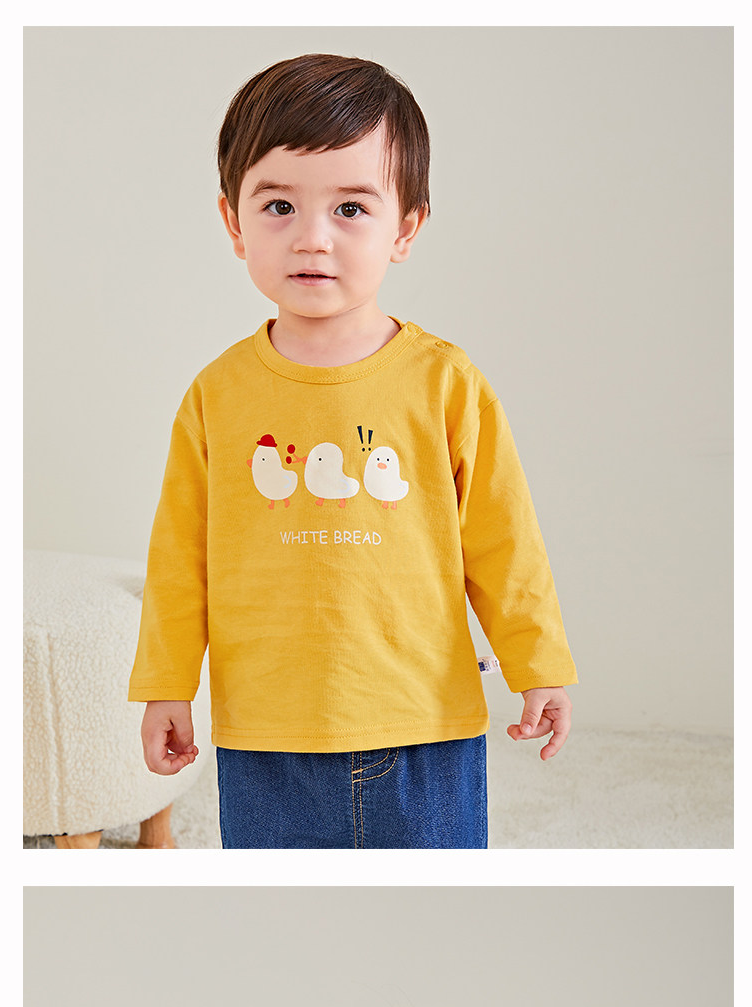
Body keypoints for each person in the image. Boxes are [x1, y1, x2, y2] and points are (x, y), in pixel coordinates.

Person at [129, 51, 577, 850]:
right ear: (233, 222)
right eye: (278, 206)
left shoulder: (446, 383)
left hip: (423, 723)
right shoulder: (216, 396)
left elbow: (504, 540)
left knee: (431, 909)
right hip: (266, 732)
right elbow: (179, 558)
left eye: (350, 208)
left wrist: (537, 664)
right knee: (285, 913)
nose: (312, 239)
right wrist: (166, 683)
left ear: (405, 227)